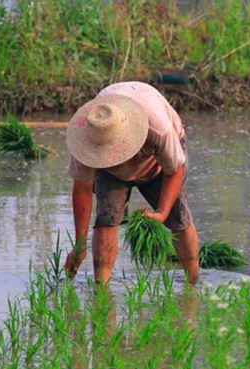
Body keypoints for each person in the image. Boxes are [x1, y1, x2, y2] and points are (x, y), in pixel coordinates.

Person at [63, 82, 200, 285]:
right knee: (106, 219)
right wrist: (80, 244)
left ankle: (193, 282)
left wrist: (162, 212)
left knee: (178, 218)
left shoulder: (158, 128)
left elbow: (174, 170)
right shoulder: (86, 137)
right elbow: (82, 188)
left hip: (157, 163)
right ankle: (101, 291)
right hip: (110, 171)